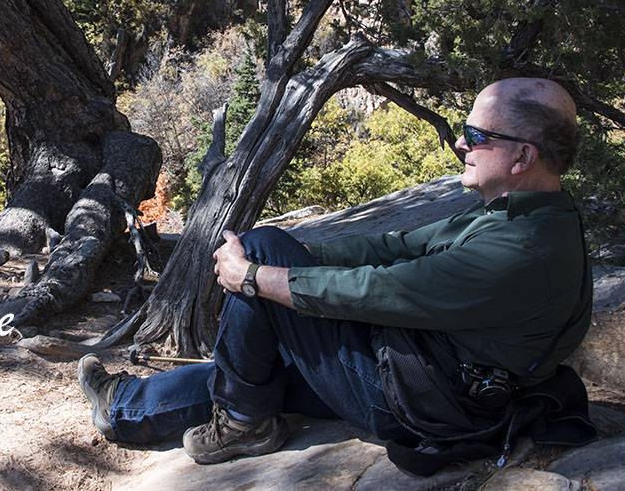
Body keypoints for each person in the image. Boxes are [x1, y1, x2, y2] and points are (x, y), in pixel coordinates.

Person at [77, 77, 595, 472]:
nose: (461, 144)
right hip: (418, 371)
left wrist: (256, 277)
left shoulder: (524, 249)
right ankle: (129, 406)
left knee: (259, 268)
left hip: (420, 400)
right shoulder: (513, 215)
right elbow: (390, 246)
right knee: (260, 367)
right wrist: (297, 256)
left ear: (524, 155)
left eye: (476, 135)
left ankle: (241, 424)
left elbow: (382, 289)